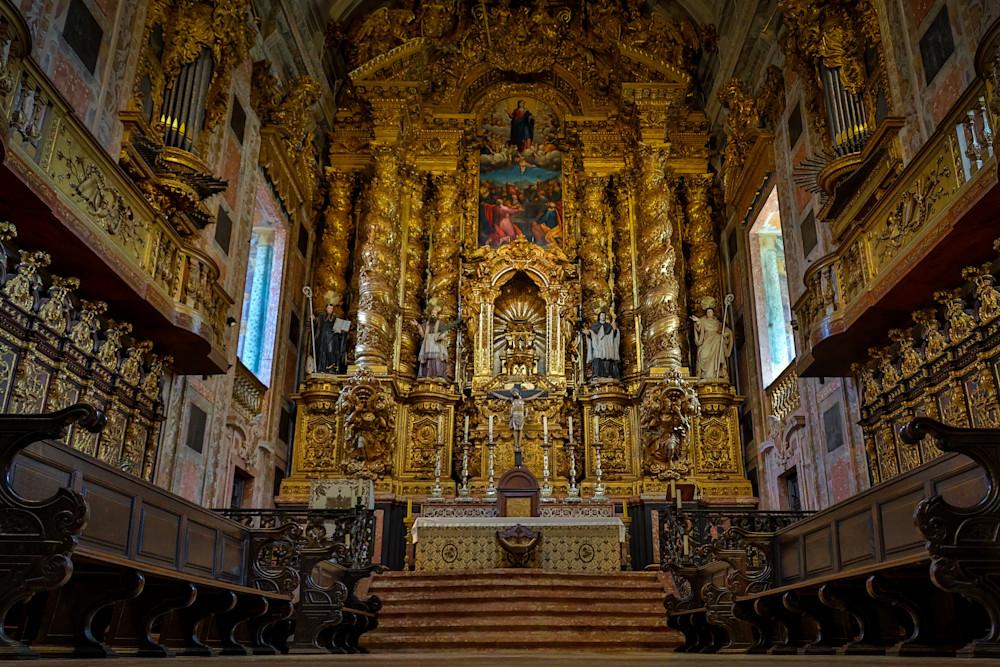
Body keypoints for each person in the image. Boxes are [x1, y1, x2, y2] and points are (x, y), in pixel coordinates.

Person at [488, 388, 545, 458]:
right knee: (515, 430)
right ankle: (516, 445)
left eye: (515, 392)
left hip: (521, 415)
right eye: (513, 393)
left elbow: (533, 397)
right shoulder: (512, 400)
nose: (514, 394)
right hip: (515, 414)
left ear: (517, 392)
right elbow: (501, 397)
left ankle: (519, 445)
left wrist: (541, 392)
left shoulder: (522, 400)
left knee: (520, 430)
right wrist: (493, 393)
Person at [413, 305, 461, 379]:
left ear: (437, 315)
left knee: (437, 358)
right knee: (428, 359)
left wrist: (442, 335)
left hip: (436, 343)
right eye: (432, 313)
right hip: (428, 343)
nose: (433, 315)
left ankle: (437, 374)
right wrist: (417, 325)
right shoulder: (427, 324)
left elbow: (445, 331)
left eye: (434, 313)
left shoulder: (440, 323)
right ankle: (428, 374)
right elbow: (422, 332)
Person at [691, 304, 734, 381]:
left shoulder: (717, 323)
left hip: (716, 340)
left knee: (716, 353)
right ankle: (704, 375)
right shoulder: (703, 320)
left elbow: (726, 331)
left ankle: (714, 374)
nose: (709, 313)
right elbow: (699, 324)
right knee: (702, 355)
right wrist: (697, 320)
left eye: (711, 312)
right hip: (706, 340)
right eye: (708, 312)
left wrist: (725, 334)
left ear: (713, 313)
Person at [582, 312, 620, 379]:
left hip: (607, 346)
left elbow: (613, 336)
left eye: (604, 315)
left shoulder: (609, 326)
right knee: (598, 359)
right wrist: (588, 333)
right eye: (602, 315)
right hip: (598, 346)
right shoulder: (595, 327)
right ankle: (597, 374)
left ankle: (609, 374)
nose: (603, 317)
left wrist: (614, 329)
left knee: (608, 360)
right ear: (599, 317)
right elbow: (592, 335)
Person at [315, 303, 349, 373]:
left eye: (331, 309)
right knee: (322, 352)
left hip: (332, 337)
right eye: (328, 308)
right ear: (326, 309)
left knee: (331, 351)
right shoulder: (322, 317)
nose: (330, 310)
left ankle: (331, 369)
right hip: (323, 338)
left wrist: (340, 331)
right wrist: (313, 318)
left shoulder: (335, 318)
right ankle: (322, 368)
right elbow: (316, 322)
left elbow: (340, 329)